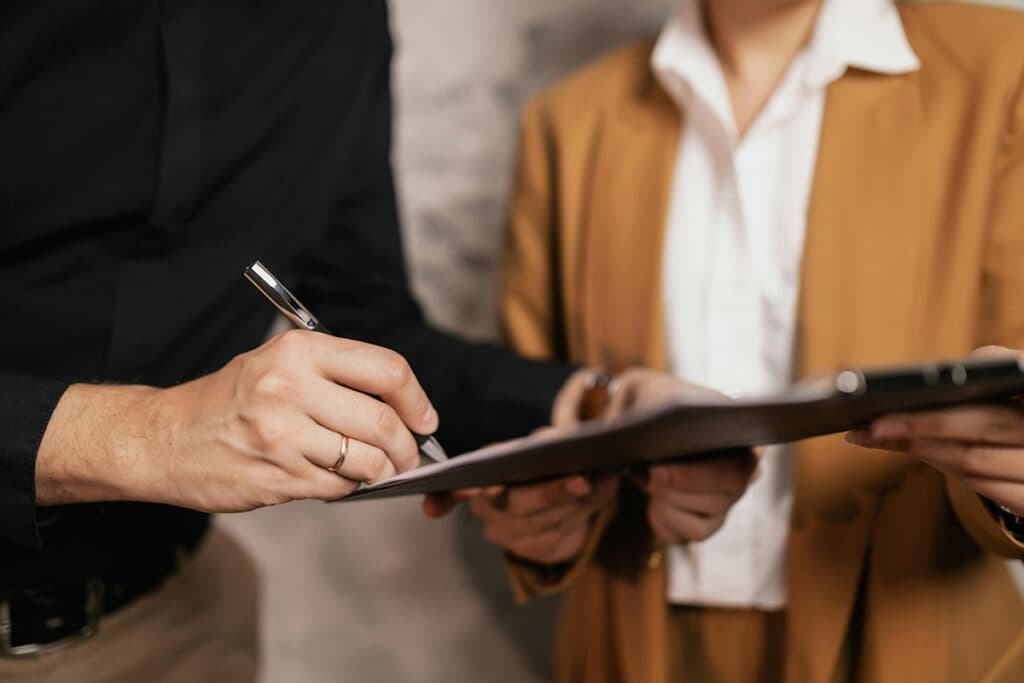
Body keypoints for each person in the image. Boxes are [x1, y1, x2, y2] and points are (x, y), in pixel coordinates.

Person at [0, 1, 682, 679]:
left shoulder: (339, 23)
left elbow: (368, 328)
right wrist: (156, 435)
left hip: (178, 625)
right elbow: (170, 432)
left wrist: (592, 406)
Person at [448, 0, 1024, 681]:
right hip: (628, 644)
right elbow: (537, 421)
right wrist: (539, 515)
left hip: (921, 642)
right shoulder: (568, 124)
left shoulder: (1004, 71)